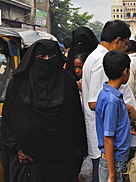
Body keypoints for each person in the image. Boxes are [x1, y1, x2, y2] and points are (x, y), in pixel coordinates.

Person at [1, 39, 87, 182]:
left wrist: (78, 149)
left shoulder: (67, 81)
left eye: (51, 57)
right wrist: (17, 148)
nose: (46, 61)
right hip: (28, 160)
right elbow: (9, 119)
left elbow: (75, 118)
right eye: (41, 57)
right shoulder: (18, 84)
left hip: (62, 159)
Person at [82, 20, 136, 182]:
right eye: (125, 44)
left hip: (111, 139)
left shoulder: (98, 57)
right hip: (109, 146)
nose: (125, 49)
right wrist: (126, 108)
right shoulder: (102, 61)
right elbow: (94, 102)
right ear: (117, 41)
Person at [95, 50, 132, 182]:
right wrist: (112, 174)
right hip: (114, 162)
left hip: (114, 160)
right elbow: (108, 139)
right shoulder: (112, 100)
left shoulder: (106, 94)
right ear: (125, 71)